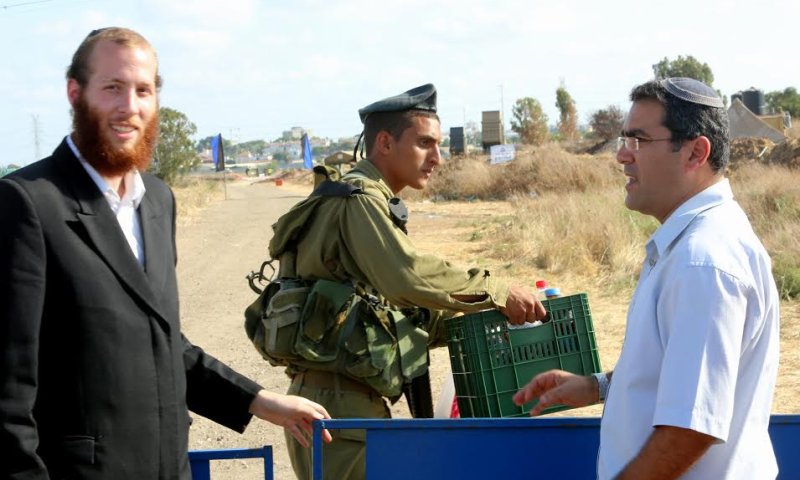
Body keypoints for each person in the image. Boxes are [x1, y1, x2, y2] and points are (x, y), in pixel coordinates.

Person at [0, 27, 331, 480]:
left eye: (142, 90)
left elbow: (161, 345)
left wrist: (260, 401)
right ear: (75, 93)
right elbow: (7, 393)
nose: (129, 107)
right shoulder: (28, 204)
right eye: (112, 88)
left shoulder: (156, 201)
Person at [262, 83, 547, 480]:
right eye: (425, 144)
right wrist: (495, 290)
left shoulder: (355, 198)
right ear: (384, 142)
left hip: (337, 403)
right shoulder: (358, 201)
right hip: (340, 412)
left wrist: (484, 318)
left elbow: (396, 311)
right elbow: (407, 277)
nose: (438, 158)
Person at [514, 77, 780, 479]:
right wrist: (599, 386)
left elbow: (690, 428)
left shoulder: (703, 261)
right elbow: (684, 370)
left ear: (695, 152)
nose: (622, 155)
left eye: (638, 140)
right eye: (625, 140)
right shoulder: (690, 246)